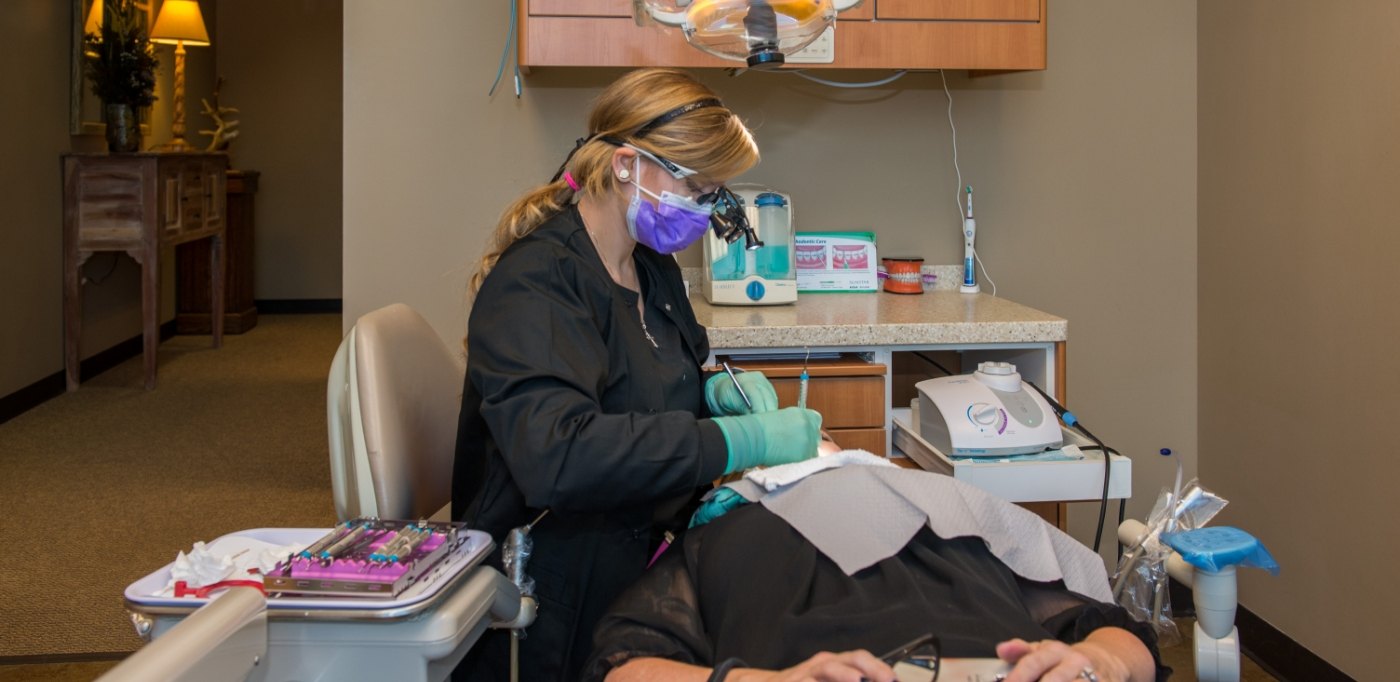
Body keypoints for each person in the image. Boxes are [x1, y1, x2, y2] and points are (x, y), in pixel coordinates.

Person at [452, 68, 824, 680]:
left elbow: (653, 381)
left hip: (640, 541)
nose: (708, 210)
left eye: (716, 194)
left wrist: (715, 397)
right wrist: (739, 440)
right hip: (554, 587)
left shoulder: (651, 268)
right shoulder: (539, 283)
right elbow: (561, 458)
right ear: (627, 165)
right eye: (700, 189)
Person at [582, 467, 1171, 682]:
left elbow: (1113, 630)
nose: (818, 457)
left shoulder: (951, 521)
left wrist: (1106, 666)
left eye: (828, 448)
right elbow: (625, 665)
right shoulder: (723, 534)